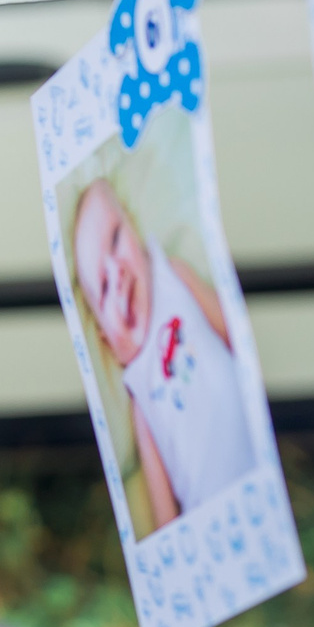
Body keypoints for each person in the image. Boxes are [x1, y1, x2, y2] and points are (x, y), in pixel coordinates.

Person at [71, 178, 254, 530]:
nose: (118, 272)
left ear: (135, 227)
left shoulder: (176, 278)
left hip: (257, 454)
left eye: (115, 238)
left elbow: (238, 339)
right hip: (212, 517)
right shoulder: (142, 393)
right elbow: (164, 511)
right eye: (105, 287)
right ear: (108, 340)